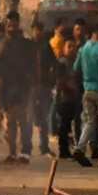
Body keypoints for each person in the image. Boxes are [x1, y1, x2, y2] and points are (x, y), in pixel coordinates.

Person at [0, 11, 35, 163]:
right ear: (6, 24)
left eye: (14, 23)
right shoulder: (0, 43)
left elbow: (33, 64)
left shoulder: (27, 43)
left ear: (18, 24)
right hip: (7, 88)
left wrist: (31, 82)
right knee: (10, 121)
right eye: (9, 23)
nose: (12, 26)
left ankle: (25, 152)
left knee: (24, 121)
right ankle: (12, 153)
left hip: (23, 87)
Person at [72, 23, 98, 167]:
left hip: (87, 89)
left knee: (89, 121)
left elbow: (75, 67)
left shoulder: (83, 48)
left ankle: (80, 147)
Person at [31, 21, 58, 156]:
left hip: (44, 86)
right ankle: (26, 147)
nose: (38, 32)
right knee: (30, 116)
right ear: (32, 30)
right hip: (30, 86)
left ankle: (44, 145)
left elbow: (54, 64)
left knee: (44, 116)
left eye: (40, 30)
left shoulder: (46, 46)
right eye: (36, 30)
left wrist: (51, 79)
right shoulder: (28, 45)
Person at [54, 39, 81, 158]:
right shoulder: (62, 63)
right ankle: (63, 150)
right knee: (64, 125)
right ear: (64, 48)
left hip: (75, 98)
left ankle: (76, 149)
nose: (71, 49)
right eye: (69, 46)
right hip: (64, 99)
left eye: (73, 47)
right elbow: (60, 82)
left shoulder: (77, 62)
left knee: (74, 125)